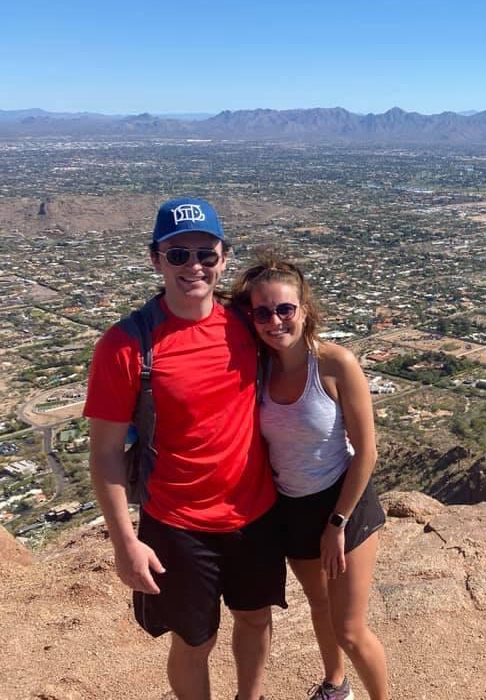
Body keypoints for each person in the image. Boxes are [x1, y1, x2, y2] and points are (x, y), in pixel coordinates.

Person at [84, 198, 286, 700]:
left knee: (256, 619)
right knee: (196, 640)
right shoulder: (127, 346)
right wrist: (124, 541)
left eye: (205, 254)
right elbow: (106, 453)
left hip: (255, 512)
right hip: (177, 523)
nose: (193, 266)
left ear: (223, 259)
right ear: (156, 260)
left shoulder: (248, 325)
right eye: (178, 255)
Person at [231, 252, 388, 700]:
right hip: (291, 507)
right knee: (320, 604)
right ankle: (336, 686)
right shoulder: (256, 371)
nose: (275, 320)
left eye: (285, 309)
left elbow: (367, 452)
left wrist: (337, 524)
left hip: (343, 503)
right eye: (262, 312)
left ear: (304, 309)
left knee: (351, 629)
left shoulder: (334, 364)